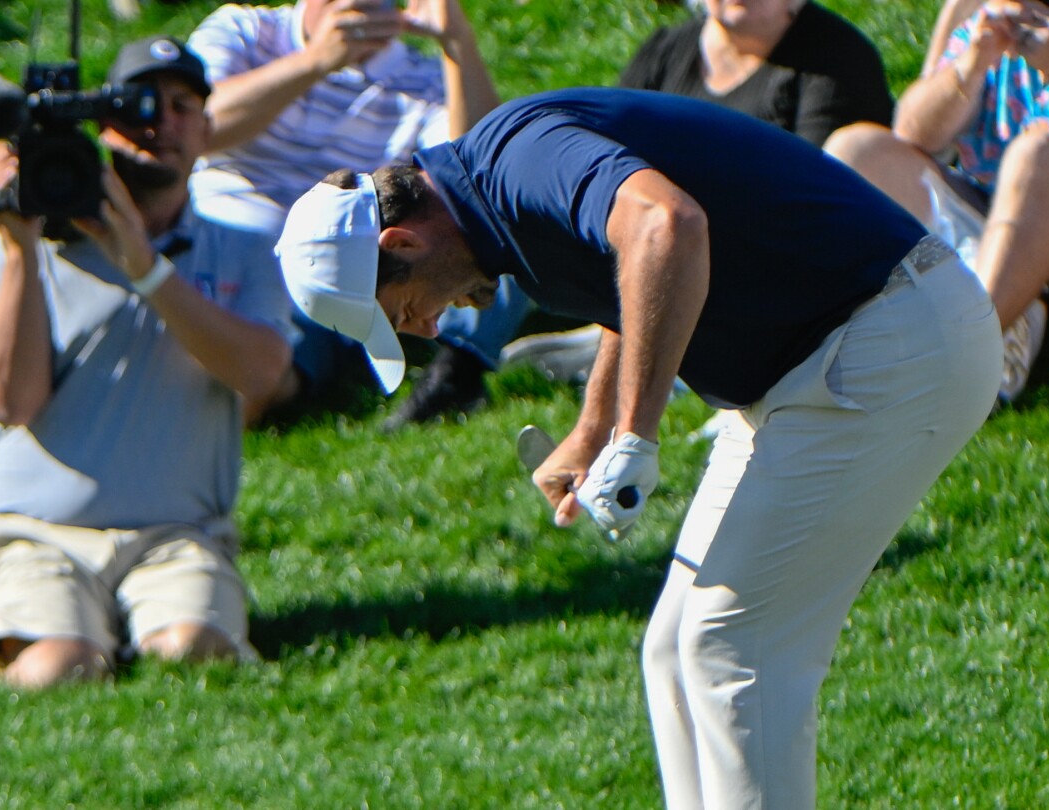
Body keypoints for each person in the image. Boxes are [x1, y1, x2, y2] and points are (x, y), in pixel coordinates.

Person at [274, 88, 1001, 807]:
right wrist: (595, 429)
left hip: (892, 338)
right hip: (832, 358)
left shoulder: (515, 161)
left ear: (401, 244)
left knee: (732, 648)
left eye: (404, 311)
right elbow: (632, 269)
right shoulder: (497, 195)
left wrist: (636, 434)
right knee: (673, 650)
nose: (429, 329)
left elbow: (666, 225)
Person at [0, 37, 296, 688]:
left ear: (207, 130)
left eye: (182, 107)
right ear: (102, 128)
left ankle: (105, 621)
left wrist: (146, 269)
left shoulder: (246, 249)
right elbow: (7, 402)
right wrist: (20, 251)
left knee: (194, 652)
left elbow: (262, 375)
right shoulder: (29, 246)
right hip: (36, 530)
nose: (161, 123)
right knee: (56, 671)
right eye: (139, 106)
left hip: (177, 534)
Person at [500, 0, 896, 384]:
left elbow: (815, 200)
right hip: (653, 250)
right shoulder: (666, 50)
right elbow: (609, 154)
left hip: (767, 273)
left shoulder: (834, 58)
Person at [184, 0, 500, 424]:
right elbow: (197, 127)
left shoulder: (422, 80)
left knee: (235, 386)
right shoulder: (245, 30)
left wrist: (456, 42)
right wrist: (316, 61)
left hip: (320, 276)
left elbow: (476, 181)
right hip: (213, 245)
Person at [823, 0, 1049, 404]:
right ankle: (1004, 323)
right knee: (857, 152)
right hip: (999, 225)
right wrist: (973, 62)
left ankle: (957, 356)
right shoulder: (998, 13)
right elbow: (912, 133)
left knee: (1038, 155)